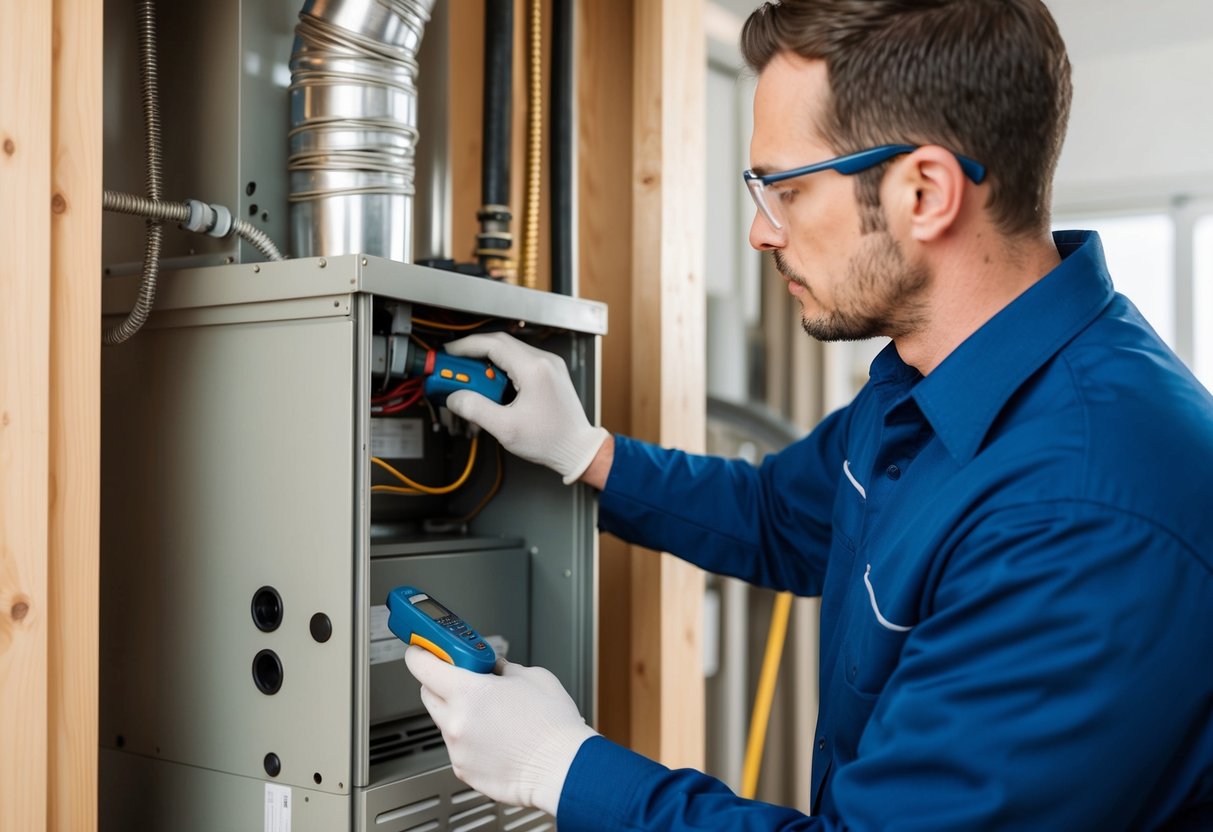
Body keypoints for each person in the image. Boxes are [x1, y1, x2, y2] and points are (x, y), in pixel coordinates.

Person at [404, 0, 1213, 828]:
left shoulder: (1084, 517)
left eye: (783, 188)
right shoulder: (926, 377)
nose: (760, 231)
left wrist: (563, 769)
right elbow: (776, 517)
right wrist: (585, 454)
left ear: (925, 192)